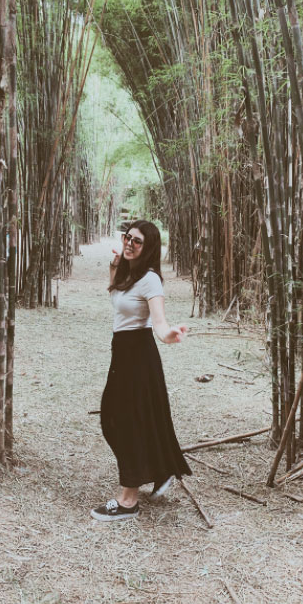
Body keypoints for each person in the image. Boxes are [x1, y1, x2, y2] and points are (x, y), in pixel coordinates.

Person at [91, 220, 192, 521]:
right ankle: (160, 470)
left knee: (124, 422)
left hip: (138, 354)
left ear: (148, 250)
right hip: (122, 352)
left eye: (137, 242)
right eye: (128, 238)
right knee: (117, 418)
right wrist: (115, 262)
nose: (130, 244)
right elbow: (114, 292)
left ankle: (128, 500)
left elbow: (158, 321)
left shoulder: (150, 279)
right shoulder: (128, 273)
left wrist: (168, 334)